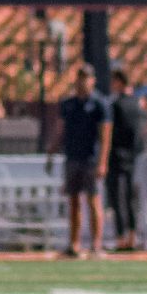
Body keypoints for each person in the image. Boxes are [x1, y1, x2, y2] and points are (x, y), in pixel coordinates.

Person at [51, 63, 111, 259]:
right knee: (74, 200)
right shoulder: (68, 104)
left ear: (92, 80)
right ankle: (74, 244)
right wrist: (52, 149)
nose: (82, 82)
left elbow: (105, 135)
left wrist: (102, 162)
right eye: (80, 77)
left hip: (91, 158)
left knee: (93, 200)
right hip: (73, 157)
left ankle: (96, 245)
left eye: (86, 78)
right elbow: (61, 130)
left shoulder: (100, 104)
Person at [105, 68, 146, 251]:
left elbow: (109, 131)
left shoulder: (116, 104)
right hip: (133, 156)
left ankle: (121, 237)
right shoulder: (137, 104)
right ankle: (132, 235)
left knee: (116, 197)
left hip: (116, 155)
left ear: (119, 81)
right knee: (130, 197)